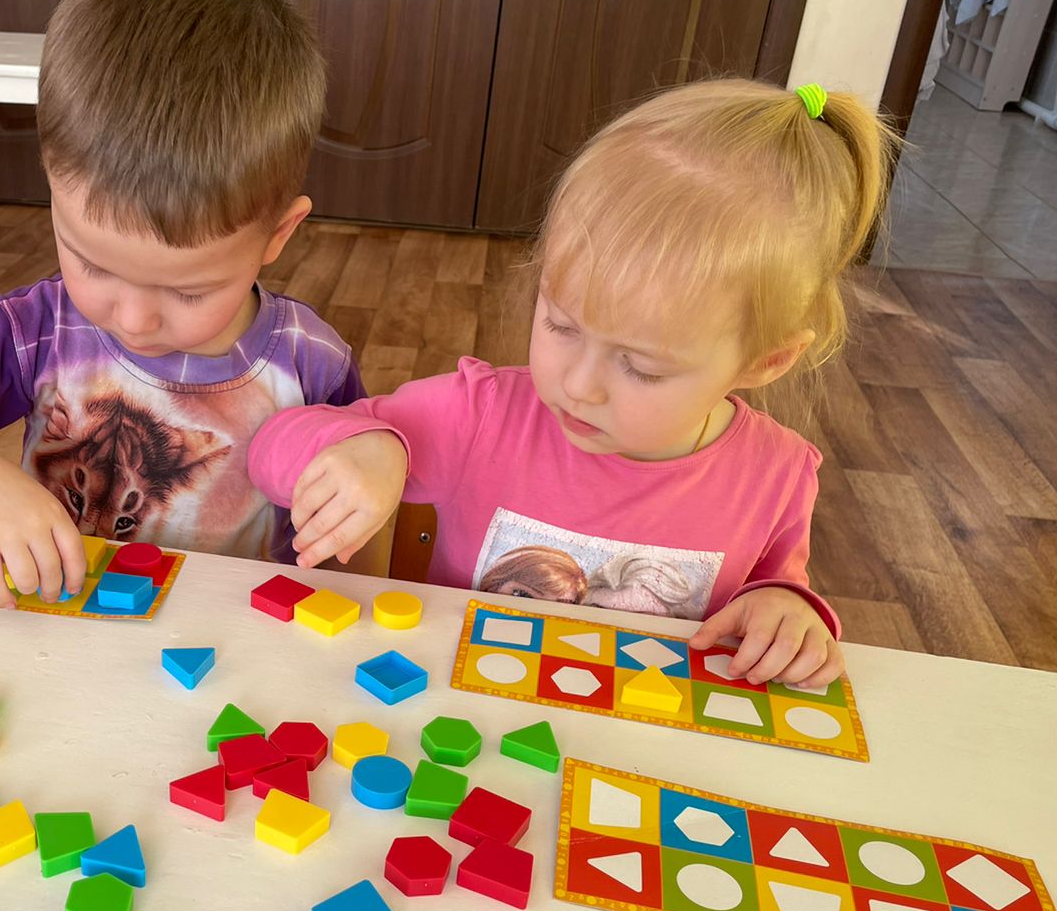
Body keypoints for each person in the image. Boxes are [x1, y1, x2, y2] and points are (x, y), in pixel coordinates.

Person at [249, 81, 899, 689]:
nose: (580, 386)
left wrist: (786, 610)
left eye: (641, 366)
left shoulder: (777, 474)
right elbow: (272, 446)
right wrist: (366, 447)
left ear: (766, 360)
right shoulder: (482, 416)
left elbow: (775, 589)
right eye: (560, 325)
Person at [0, 0, 363, 608]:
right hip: (59, 627)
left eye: (188, 290)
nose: (134, 319)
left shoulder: (312, 363)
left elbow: (356, 533)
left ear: (279, 233)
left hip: (235, 644)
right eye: (93, 264)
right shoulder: (35, 331)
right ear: (52, 189)